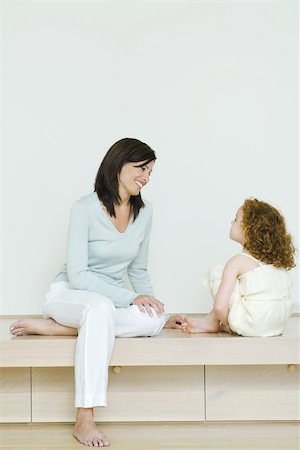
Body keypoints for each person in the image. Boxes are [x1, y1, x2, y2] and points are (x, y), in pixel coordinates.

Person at [10, 138, 166, 447]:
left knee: (153, 321)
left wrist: (154, 304)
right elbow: (79, 275)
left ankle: (64, 330)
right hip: (70, 292)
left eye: (150, 171)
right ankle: (85, 416)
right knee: (99, 310)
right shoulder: (84, 208)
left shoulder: (145, 212)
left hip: (106, 303)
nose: (146, 177)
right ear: (118, 164)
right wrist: (130, 298)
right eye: (140, 168)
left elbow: (137, 270)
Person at [174, 198, 295, 337]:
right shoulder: (274, 263)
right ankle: (210, 321)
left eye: (236, 219)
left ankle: (214, 322)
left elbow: (219, 307)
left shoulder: (238, 261)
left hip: (253, 325)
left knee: (219, 272)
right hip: (276, 325)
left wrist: (230, 325)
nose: (231, 222)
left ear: (249, 229)